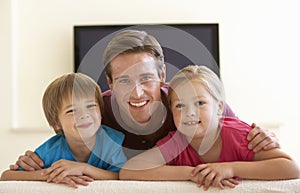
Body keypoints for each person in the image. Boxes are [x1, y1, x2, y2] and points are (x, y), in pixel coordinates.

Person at [10, 29, 279, 172]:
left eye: (146, 78)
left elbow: (241, 139)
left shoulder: (194, 103)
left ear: (163, 74)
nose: (137, 93)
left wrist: (262, 138)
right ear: (110, 83)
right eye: (124, 81)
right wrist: (34, 163)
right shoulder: (96, 110)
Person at [119, 65, 300, 190]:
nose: (190, 112)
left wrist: (231, 169)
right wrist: (192, 173)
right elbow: (129, 171)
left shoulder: (237, 135)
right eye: (180, 106)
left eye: (200, 103)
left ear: (220, 108)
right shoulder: (176, 142)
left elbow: (291, 168)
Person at [1, 73, 127, 188]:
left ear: (100, 111)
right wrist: (53, 174)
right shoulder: (52, 149)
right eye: (71, 110)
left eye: (90, 106)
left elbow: (122, 176)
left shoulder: (112, 141)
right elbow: (6, 176)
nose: (84, 115)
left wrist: (84, 168)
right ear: (56, 124)